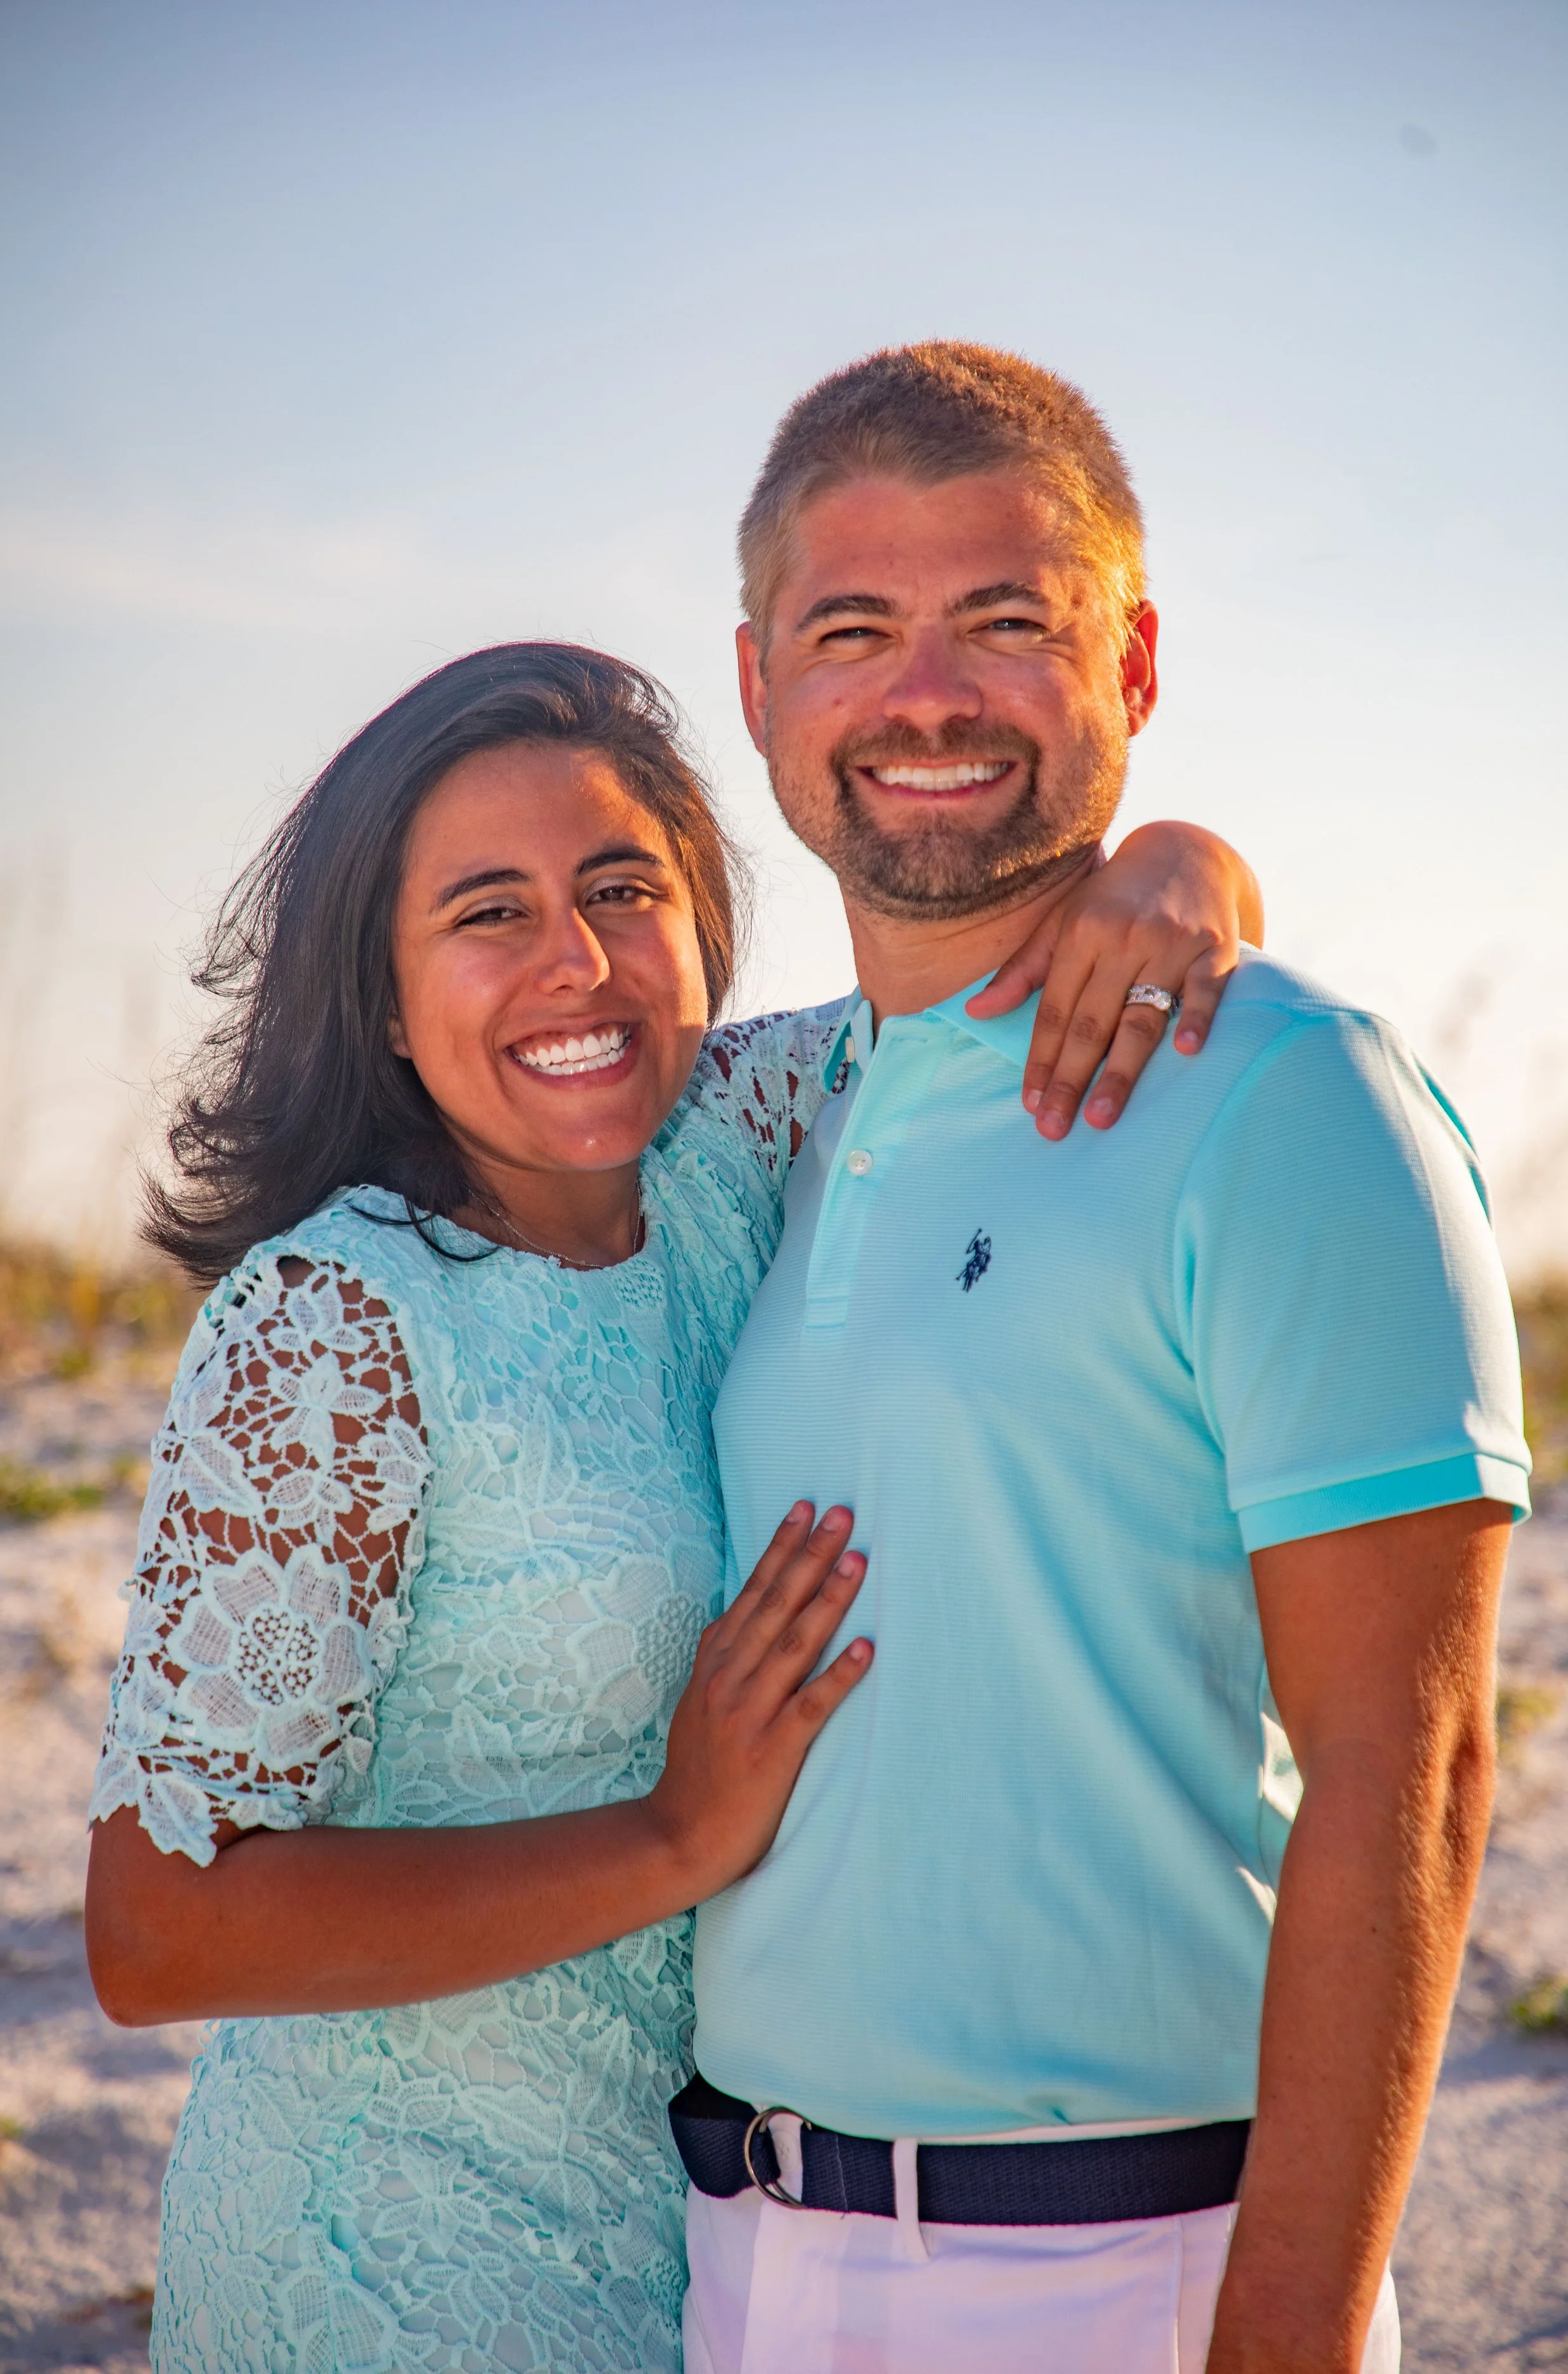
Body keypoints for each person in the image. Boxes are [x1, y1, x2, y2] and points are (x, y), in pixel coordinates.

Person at [84, 639, 1261, 2373]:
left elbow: (1001, 972)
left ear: (704, 919)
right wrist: (670, 1840)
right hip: (398, 2255)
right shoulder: (331, 1323)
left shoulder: (743, 1141)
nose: (575, 962)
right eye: (487, 912)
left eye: (622, 887)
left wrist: (1185, 861)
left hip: (714, 2245)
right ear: (386, 999)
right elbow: (155, 1926)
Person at [678, 342, 1532, 2374]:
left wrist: (1287, 2339)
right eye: (852, 630)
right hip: (730, 2254)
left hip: (1115, 2274)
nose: (926, 694)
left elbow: (1409, 1781)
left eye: (1004, 621)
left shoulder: (1286, 1094)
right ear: (755, 690)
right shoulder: (758, 1127)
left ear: (1131, 665)